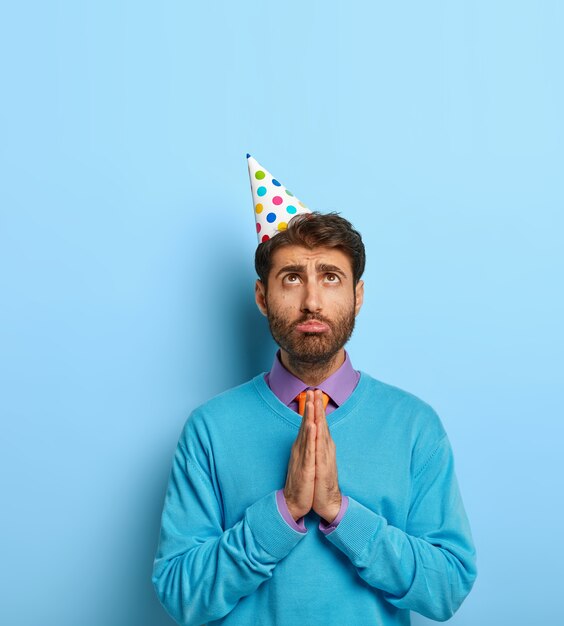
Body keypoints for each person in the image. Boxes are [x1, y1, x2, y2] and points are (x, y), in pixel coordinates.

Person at [151, 156, 477, 625]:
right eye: (291, 278)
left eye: (330, 277)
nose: (311, 301)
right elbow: (181, 594)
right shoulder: (210, 429)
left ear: (357, 296)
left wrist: (340, 514)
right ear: (262, 297)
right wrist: (282, 513)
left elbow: (446, 588)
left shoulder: (414, 426)